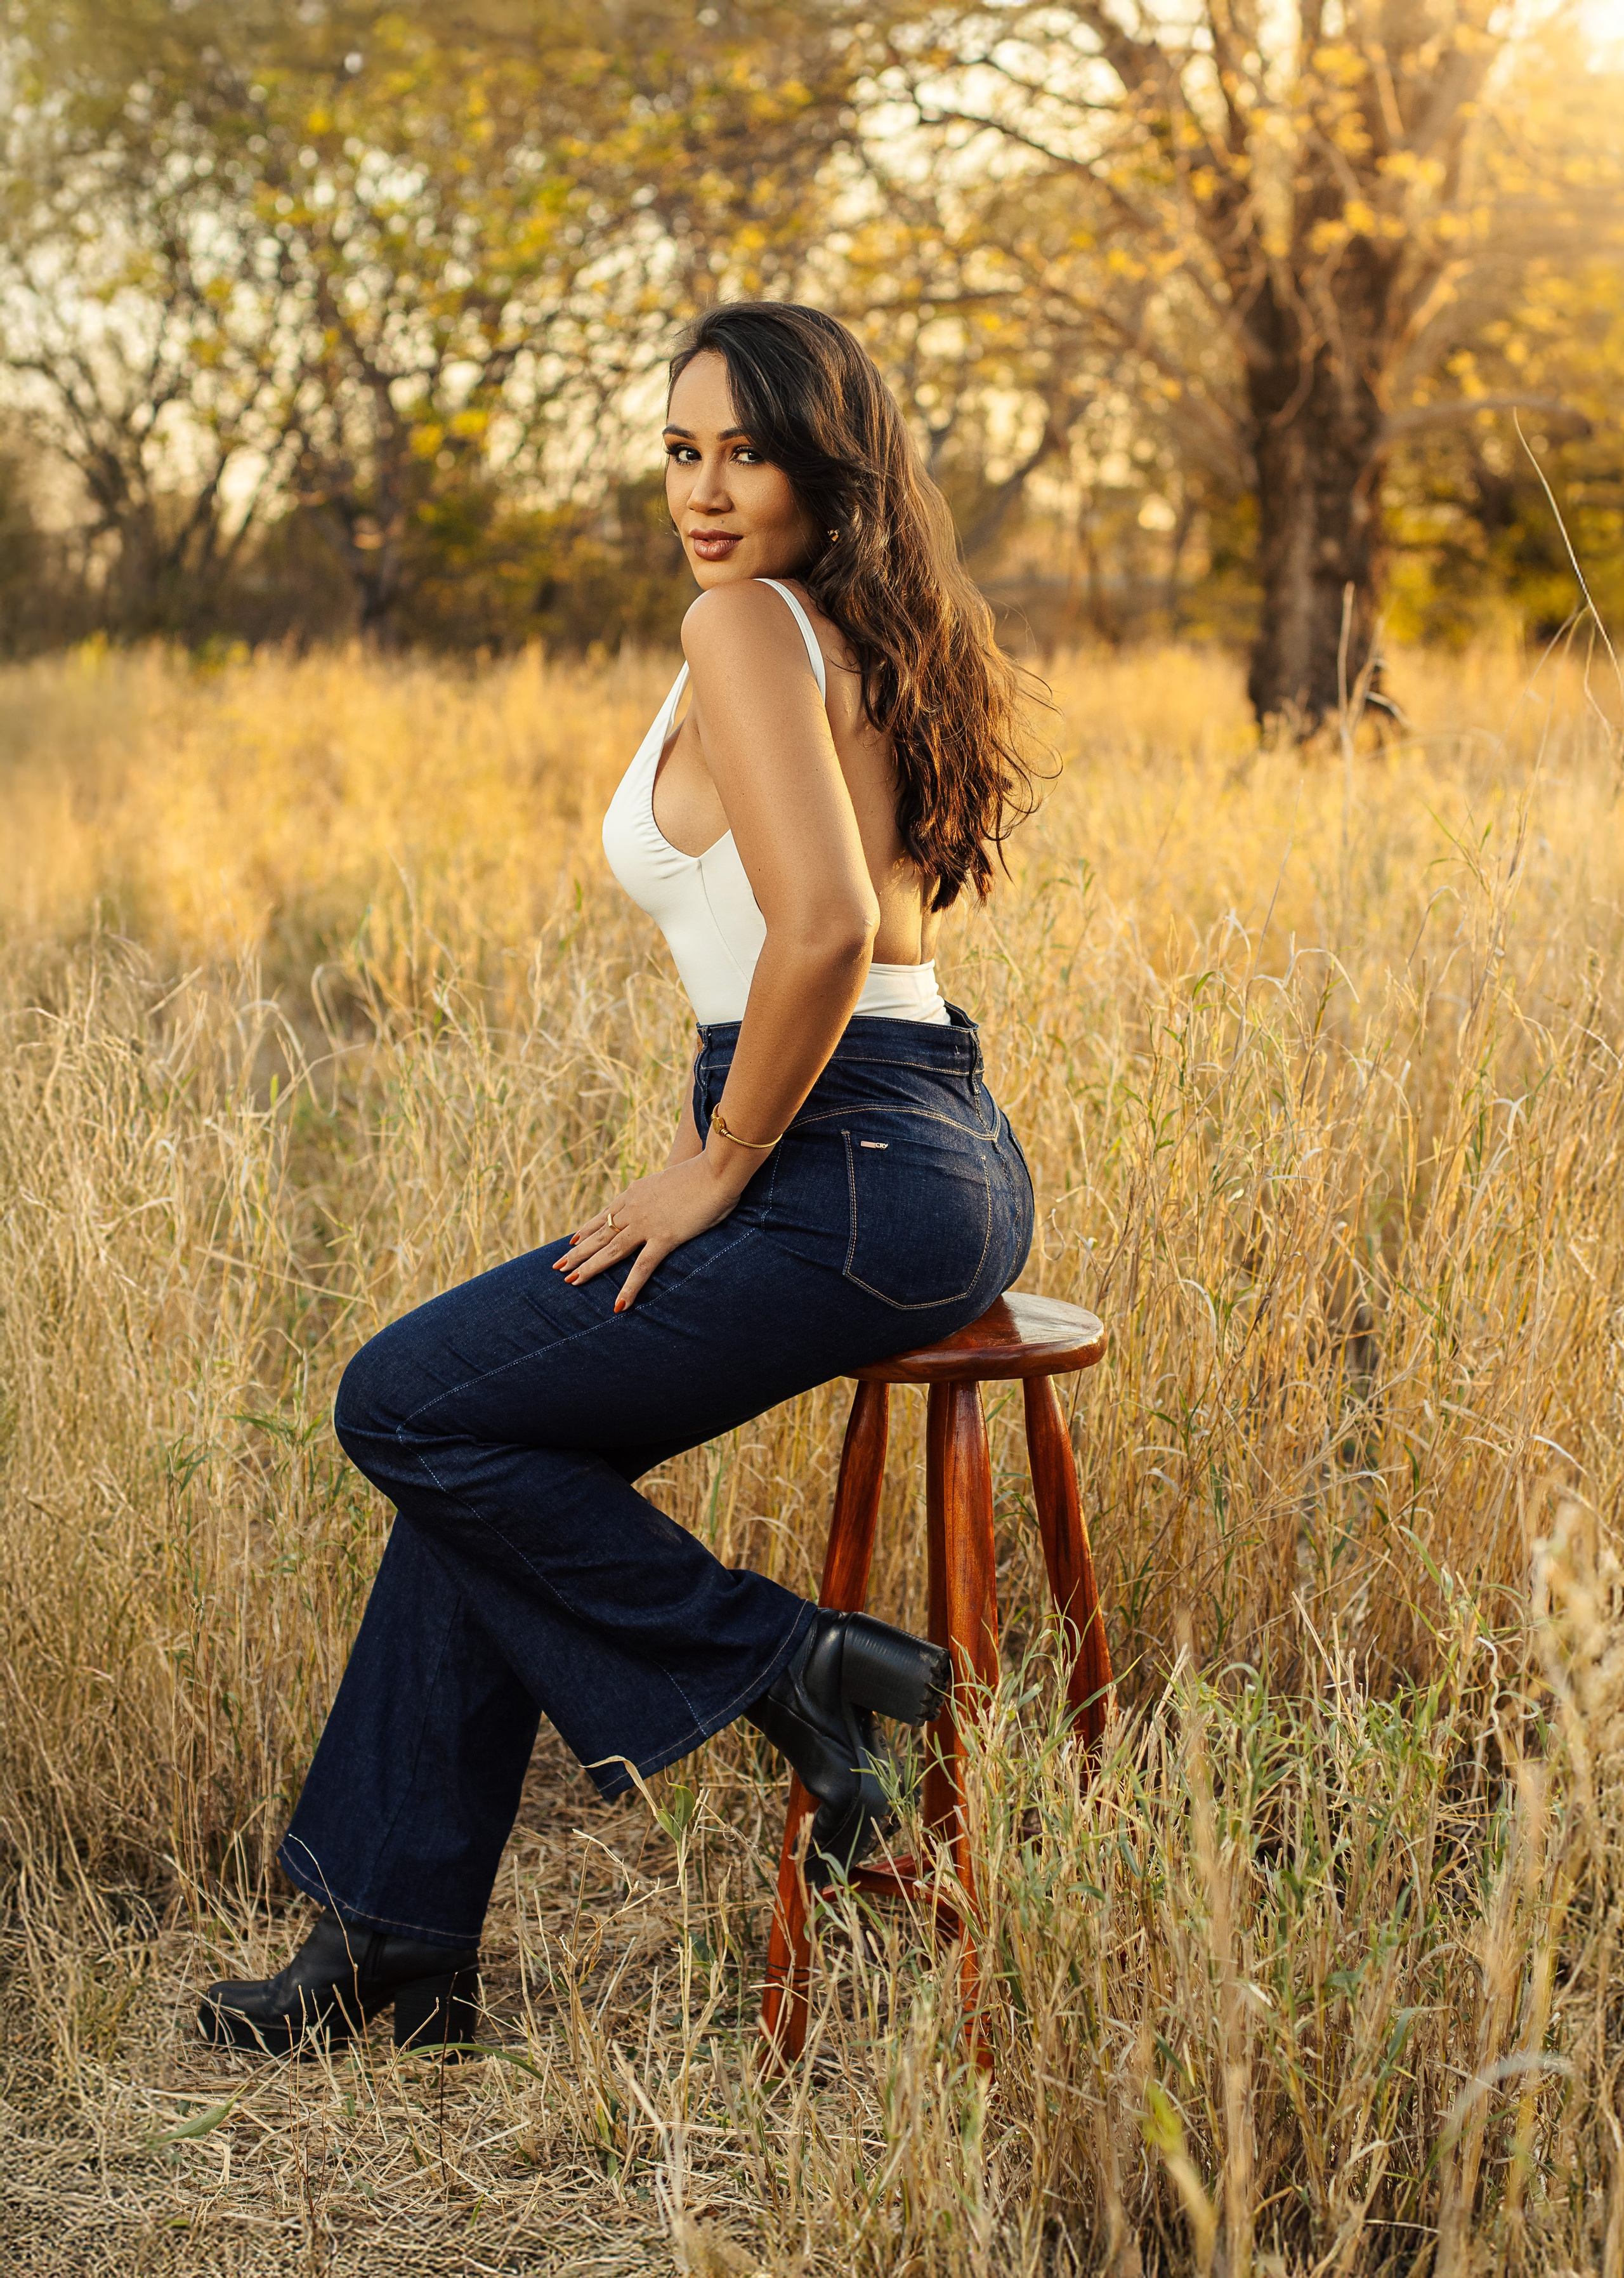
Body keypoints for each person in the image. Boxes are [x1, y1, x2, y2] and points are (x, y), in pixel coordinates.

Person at [199, 302, 1038, 2057]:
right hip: (931, 1148)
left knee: (402, 1404)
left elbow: (822, 929)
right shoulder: (851, 624)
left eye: (748, 453)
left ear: (827, 466)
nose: (705, 492)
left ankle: (794, 1670)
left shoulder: (744, 624)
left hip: (845, 1152)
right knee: (485, 1446)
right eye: (680, 453)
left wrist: (724, 1160)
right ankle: (396, 1940)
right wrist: (730, 1138)